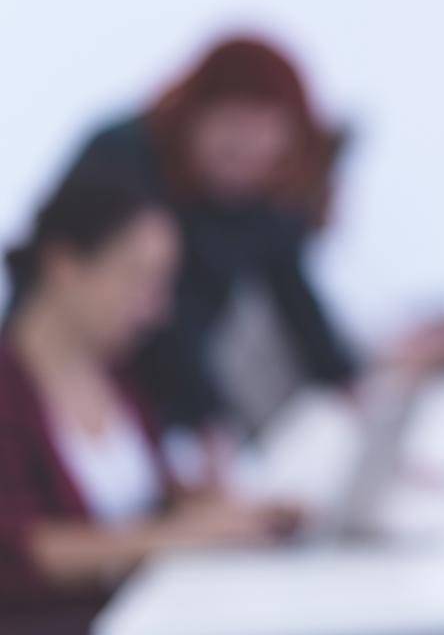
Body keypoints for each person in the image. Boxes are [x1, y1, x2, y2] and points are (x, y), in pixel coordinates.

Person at [60, 34, 444, 472]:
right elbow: (120, 312)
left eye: (262, 144)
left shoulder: (258, 194)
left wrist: (364, 411)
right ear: (193, 117)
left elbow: (296, 300)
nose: (245, 160)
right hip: (89, 390)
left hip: (169, 408)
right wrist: (203, 424)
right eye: (232, 134)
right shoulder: (124, 159)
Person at [0, 170, 297, 635]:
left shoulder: (119, 374)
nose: (155, 307)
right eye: (138, 279)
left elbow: (136, 500)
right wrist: (181, 536)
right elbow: (20, 550)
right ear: (64, 265)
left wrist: (215, 508)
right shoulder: (10, 389)